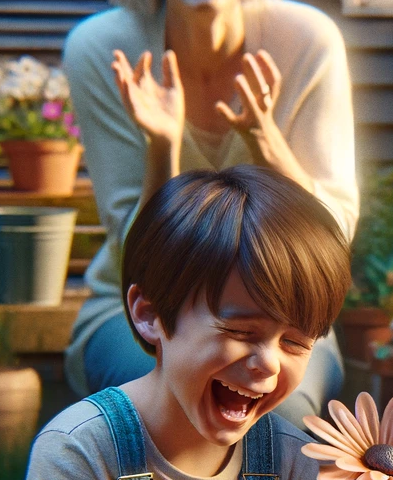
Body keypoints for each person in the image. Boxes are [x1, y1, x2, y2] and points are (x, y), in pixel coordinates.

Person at [61, 0, 358, 427]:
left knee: (279, 422)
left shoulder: (309, 39)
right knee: (168, 402)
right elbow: (138, 262)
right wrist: (162, 147)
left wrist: (264, 139)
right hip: (144, 305)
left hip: (281, 315)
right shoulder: (103, 48)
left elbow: (333, 234)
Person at [26, 165, 352, 479]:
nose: (269, 363)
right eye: (240, 332)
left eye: (294, 342)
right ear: (149, 314)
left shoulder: (296, 460)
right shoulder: (79, 451)